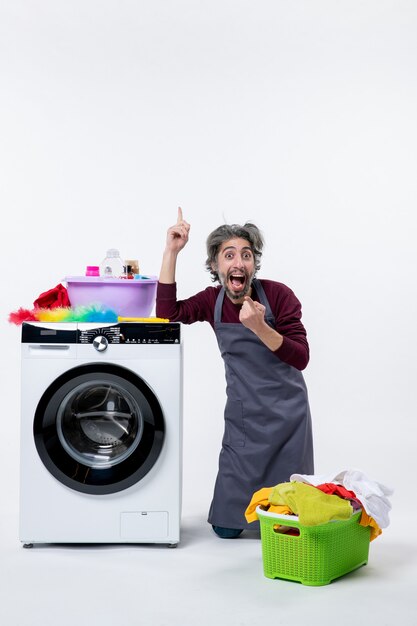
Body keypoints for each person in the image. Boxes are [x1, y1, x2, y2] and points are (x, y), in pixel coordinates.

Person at [157, 208, 314, 538]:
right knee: (226, 530)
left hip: (288, 418)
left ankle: (280, 513)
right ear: (216, 266)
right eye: (229, 255)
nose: (238, 262)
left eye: (246, 255)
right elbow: (167, 314)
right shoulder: (212, 301)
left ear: (254, 264)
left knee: (287, 529)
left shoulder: (280, 296)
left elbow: (300, 357)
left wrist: (259, 327)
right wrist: (171, 250)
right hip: (244, 421)